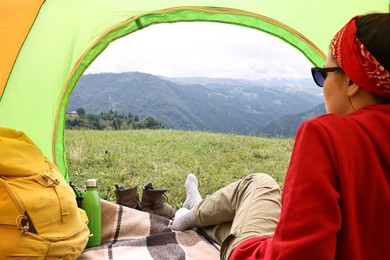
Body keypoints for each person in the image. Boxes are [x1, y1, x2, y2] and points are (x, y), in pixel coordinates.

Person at [172, 13, 390, 259]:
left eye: (323, 74)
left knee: (259, 183)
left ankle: (193, 211)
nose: (323, 86)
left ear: (352, 80)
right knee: (249, 223)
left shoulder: (327, 136)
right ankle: (197, 213)